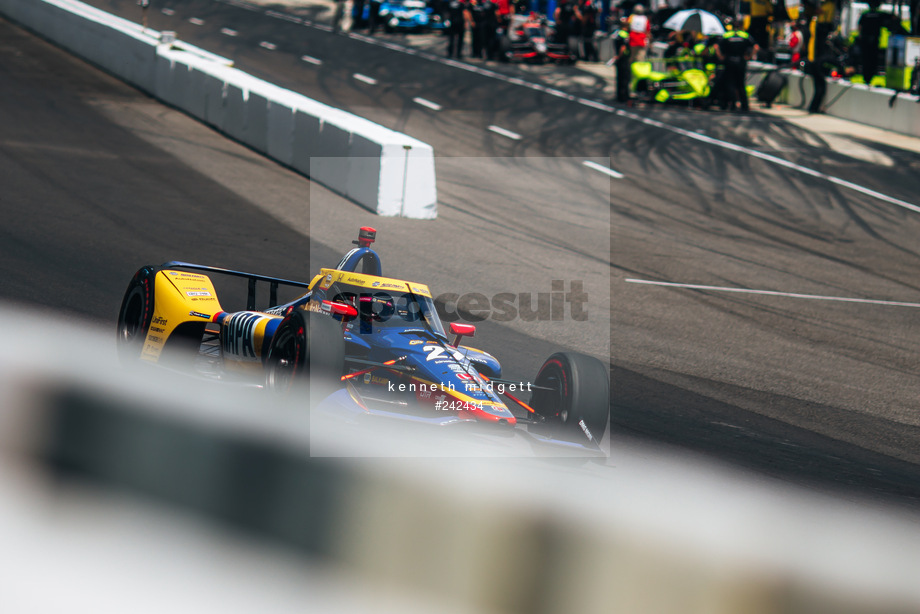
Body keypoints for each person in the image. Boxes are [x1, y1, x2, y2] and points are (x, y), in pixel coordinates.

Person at [713, 20, 758, 111]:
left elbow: (716, 46)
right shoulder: (745, 35)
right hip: (741, 61)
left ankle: (732, 104)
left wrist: (721, 57)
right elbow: (756, 47)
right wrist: (749, 56)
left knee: (729, 83)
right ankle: (744, 106)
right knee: (740, 84)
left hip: (729, 61)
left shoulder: (727, 35)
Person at [610, 17, 632, 103]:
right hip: (623, 58)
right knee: (625, 78)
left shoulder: (618, 33)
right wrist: (619, 56)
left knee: (619, 77)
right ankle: (624, 96)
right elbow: (622, 48)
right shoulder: (625, 34)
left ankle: (619, 95)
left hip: (619, 59)